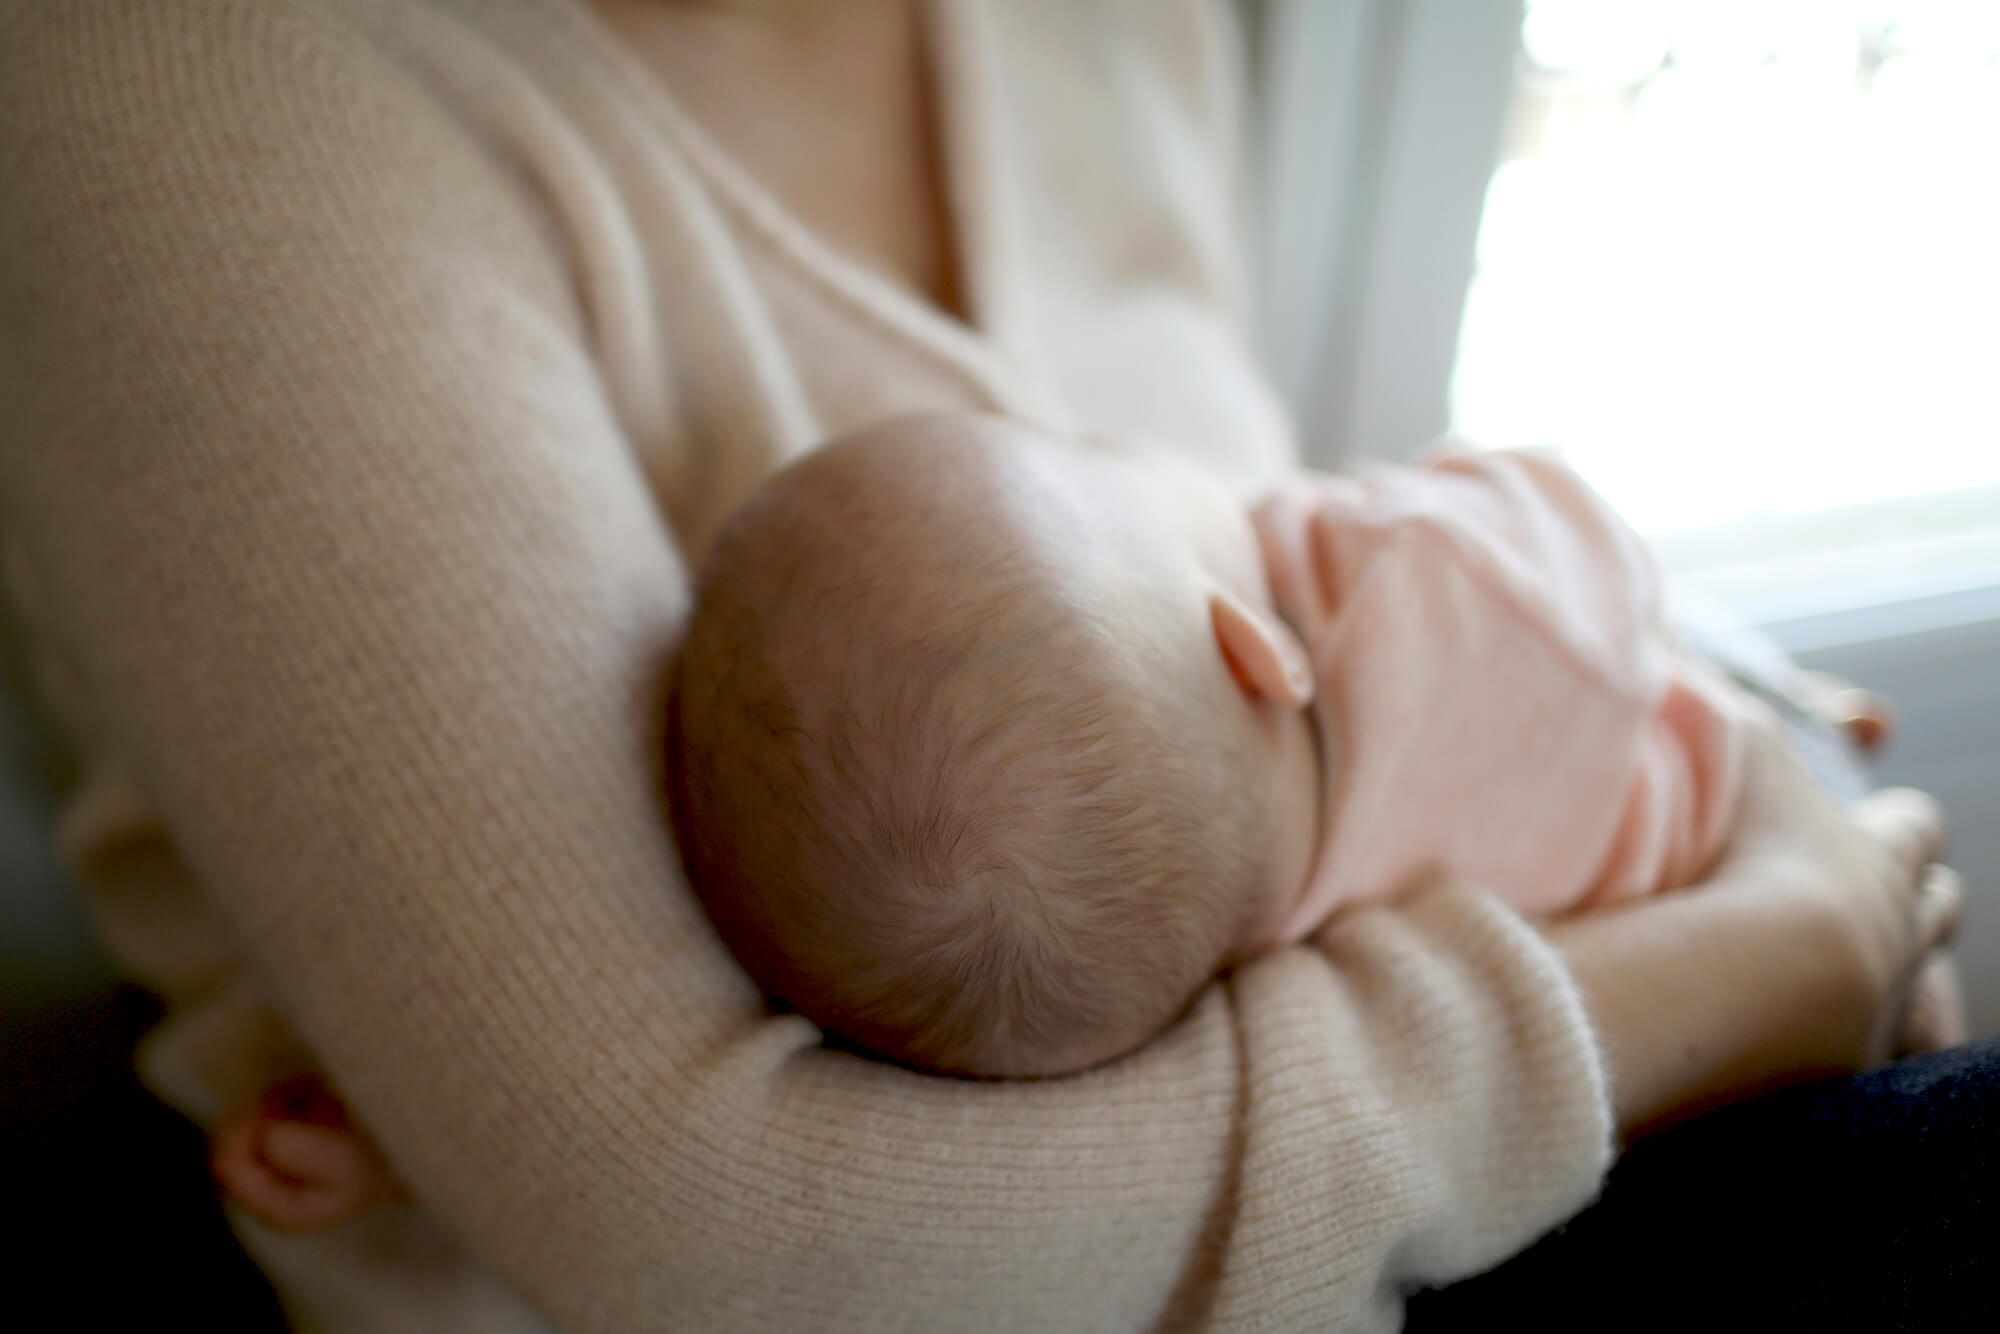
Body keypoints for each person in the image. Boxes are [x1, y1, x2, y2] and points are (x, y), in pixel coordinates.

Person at [0, 2, 1970, 1330]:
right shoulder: (188, 87)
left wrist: (1757, 853)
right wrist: (1774, 954)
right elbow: (698, 1209)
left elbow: (1313, 726)